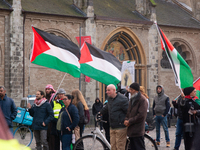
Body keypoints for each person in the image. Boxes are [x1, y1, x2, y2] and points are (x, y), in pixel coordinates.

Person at [100, 84, 128, 150]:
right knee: (113, 147)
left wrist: (126, 120)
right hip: (112, 126)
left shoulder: (122, 99)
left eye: (108, 90)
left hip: (120, 127)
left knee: (120, 147)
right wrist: (100, 113)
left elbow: (128, 111)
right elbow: (107, 107)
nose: (106, 92)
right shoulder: (110, 99)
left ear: (114, 90)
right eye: (106, 90)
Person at [124, 83, 148, 150]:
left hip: (138, 130)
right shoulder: (132, 99)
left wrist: (129, 121)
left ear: (136, 91)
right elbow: (128, 111)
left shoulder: (142, 100)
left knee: (139, 147)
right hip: (131, 130)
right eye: (130, 89)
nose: (130, 91)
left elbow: (141, 115)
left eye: (131, 90)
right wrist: (126, 119)